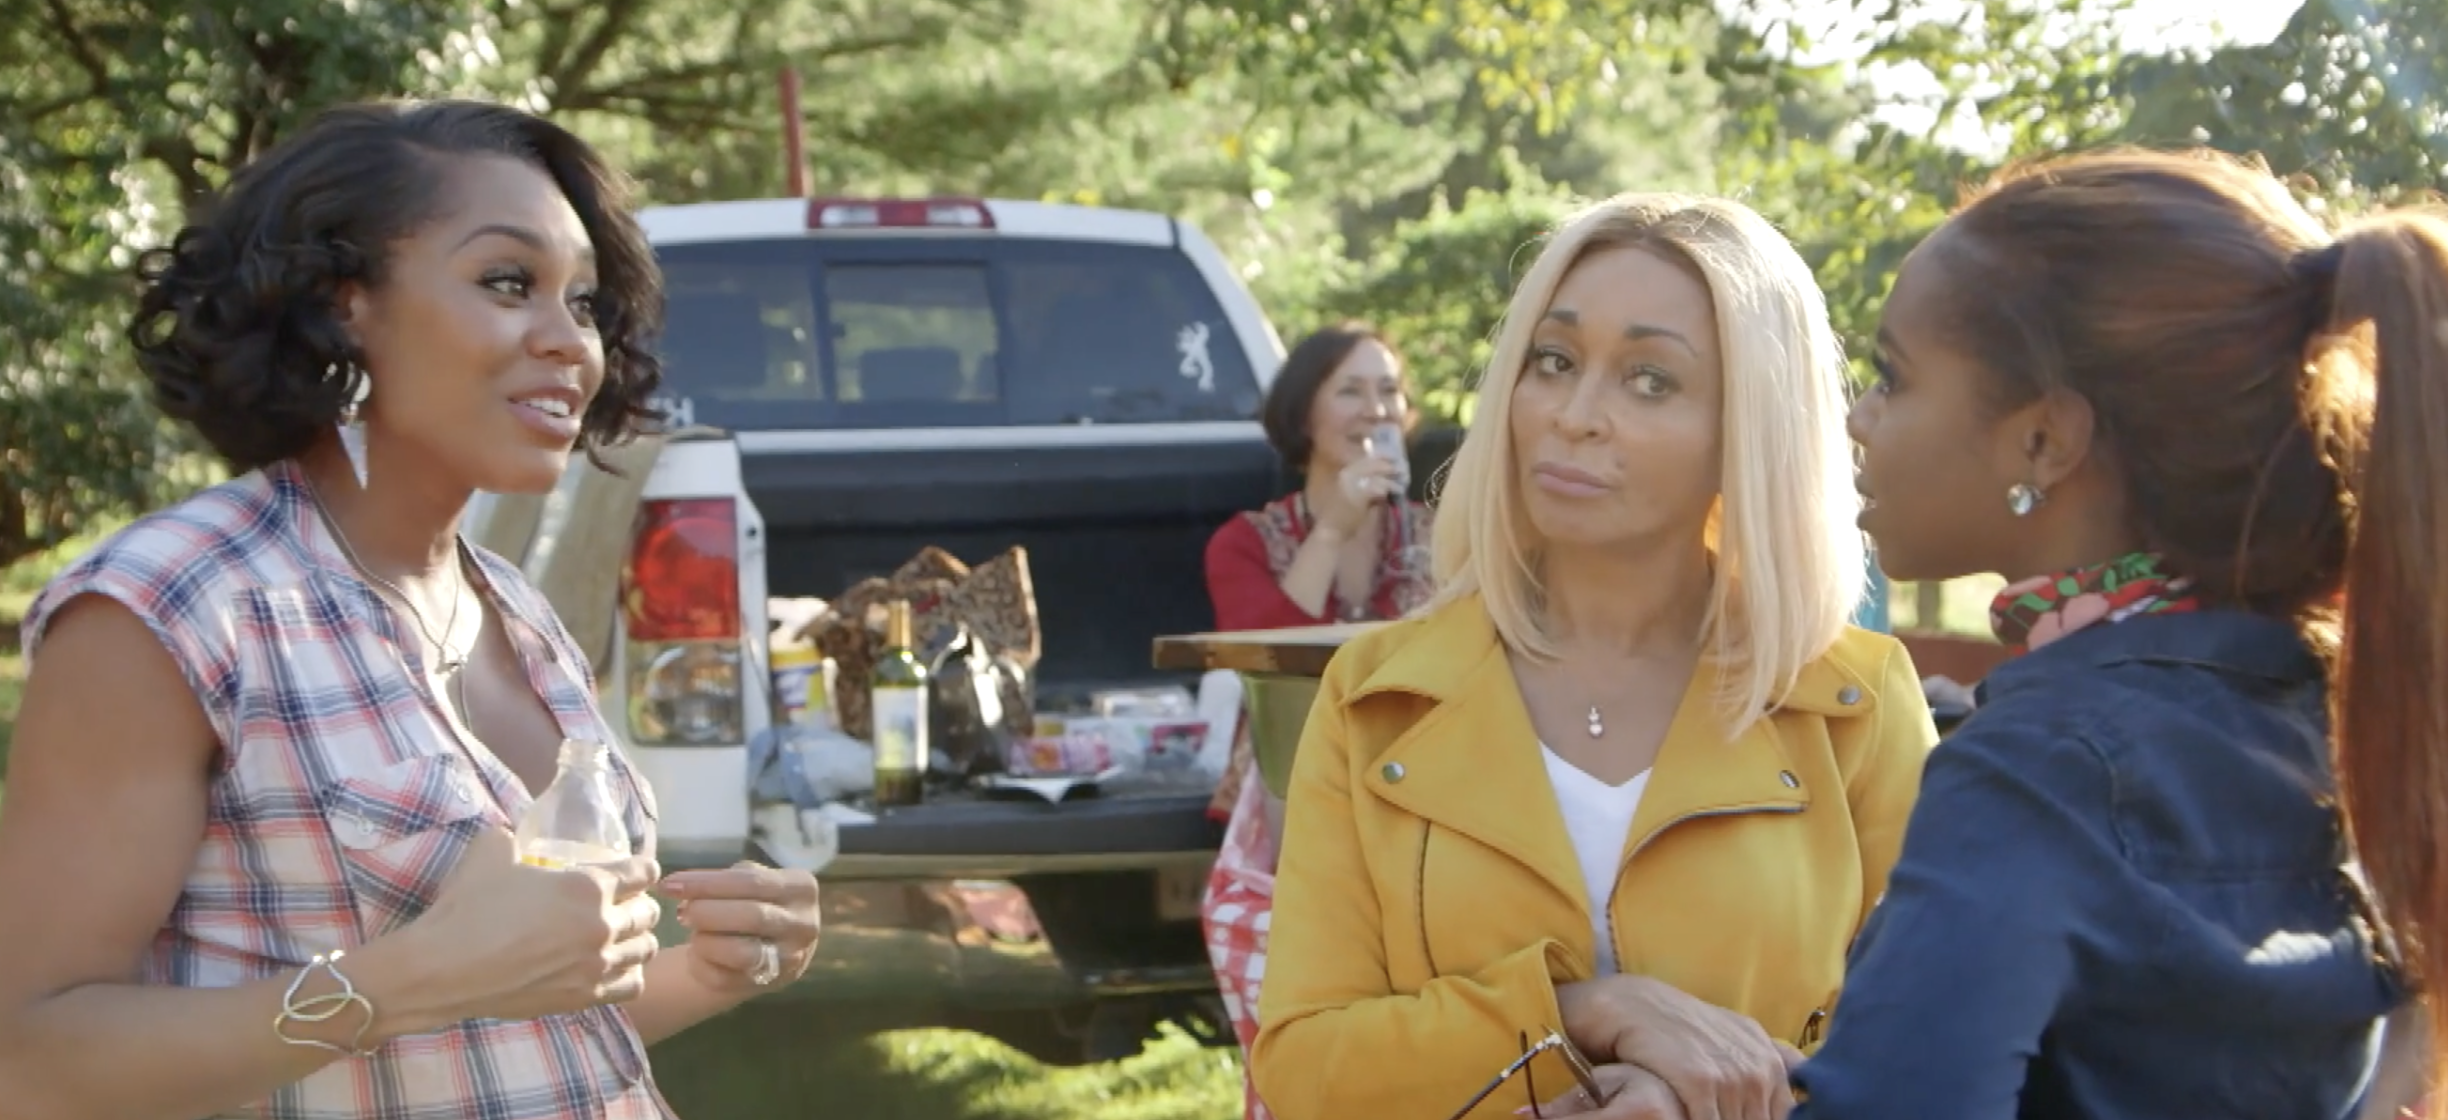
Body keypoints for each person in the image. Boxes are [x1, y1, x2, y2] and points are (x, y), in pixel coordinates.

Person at [0, 99, 821, 1120]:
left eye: (586, 302)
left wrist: (710, 971)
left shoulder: (516, 612)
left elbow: (502, 1034)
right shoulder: (175, 605)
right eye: (509, 282)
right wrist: (408, 981)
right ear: (346, 303)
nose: (570, 341)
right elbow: (30, 1061)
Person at [1247, 192, 1939, 1120]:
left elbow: (1933, 1059)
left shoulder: (1858, 701)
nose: (1575, 415)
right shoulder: (1375, 697)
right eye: (1554, 359)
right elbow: (1305, 1070)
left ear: (1752, 426)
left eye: (1650, 379)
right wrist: (1585, 1014)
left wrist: (1689, 1100)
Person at [1777, 148, 2415, 1119]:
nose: (1859, 420)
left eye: (1893, 377)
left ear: (2044, 440)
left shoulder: (2037, 772)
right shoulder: (2333, 726)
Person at [1198, 322, 1434, 1120]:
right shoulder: (1245, 542)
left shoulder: (1441, 534)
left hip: (1421, 791)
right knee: (1311, 996)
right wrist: (1333, 528)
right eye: (1353, 390)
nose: (1378, 409)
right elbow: (1265, 648)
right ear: (1305, 414)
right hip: (1289, 796)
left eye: (1390, 391)